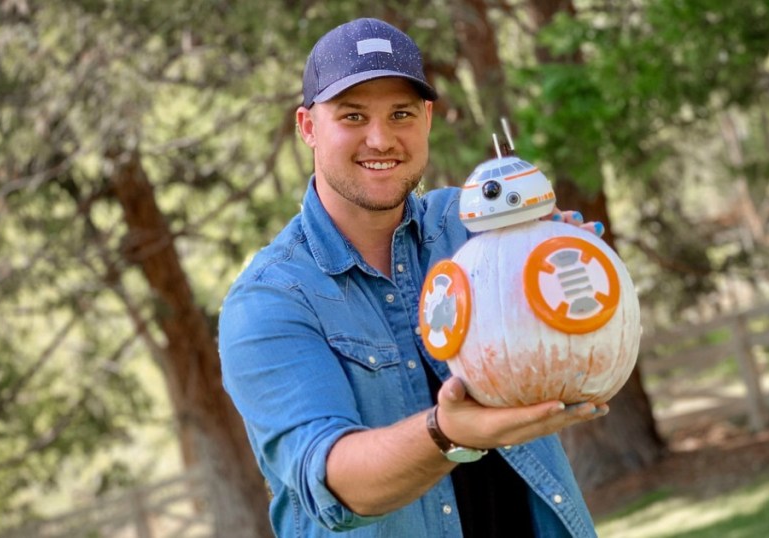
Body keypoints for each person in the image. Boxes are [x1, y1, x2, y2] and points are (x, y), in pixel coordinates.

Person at [218, 17, 609, 537]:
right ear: (308, 126)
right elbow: (334, 481)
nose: (380, 139)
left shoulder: (476, 226)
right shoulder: (269, 300)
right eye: (352, 116)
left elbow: (571, 330)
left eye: (400, 113)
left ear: (426, 118)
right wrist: (447, 433)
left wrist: (577, 274)